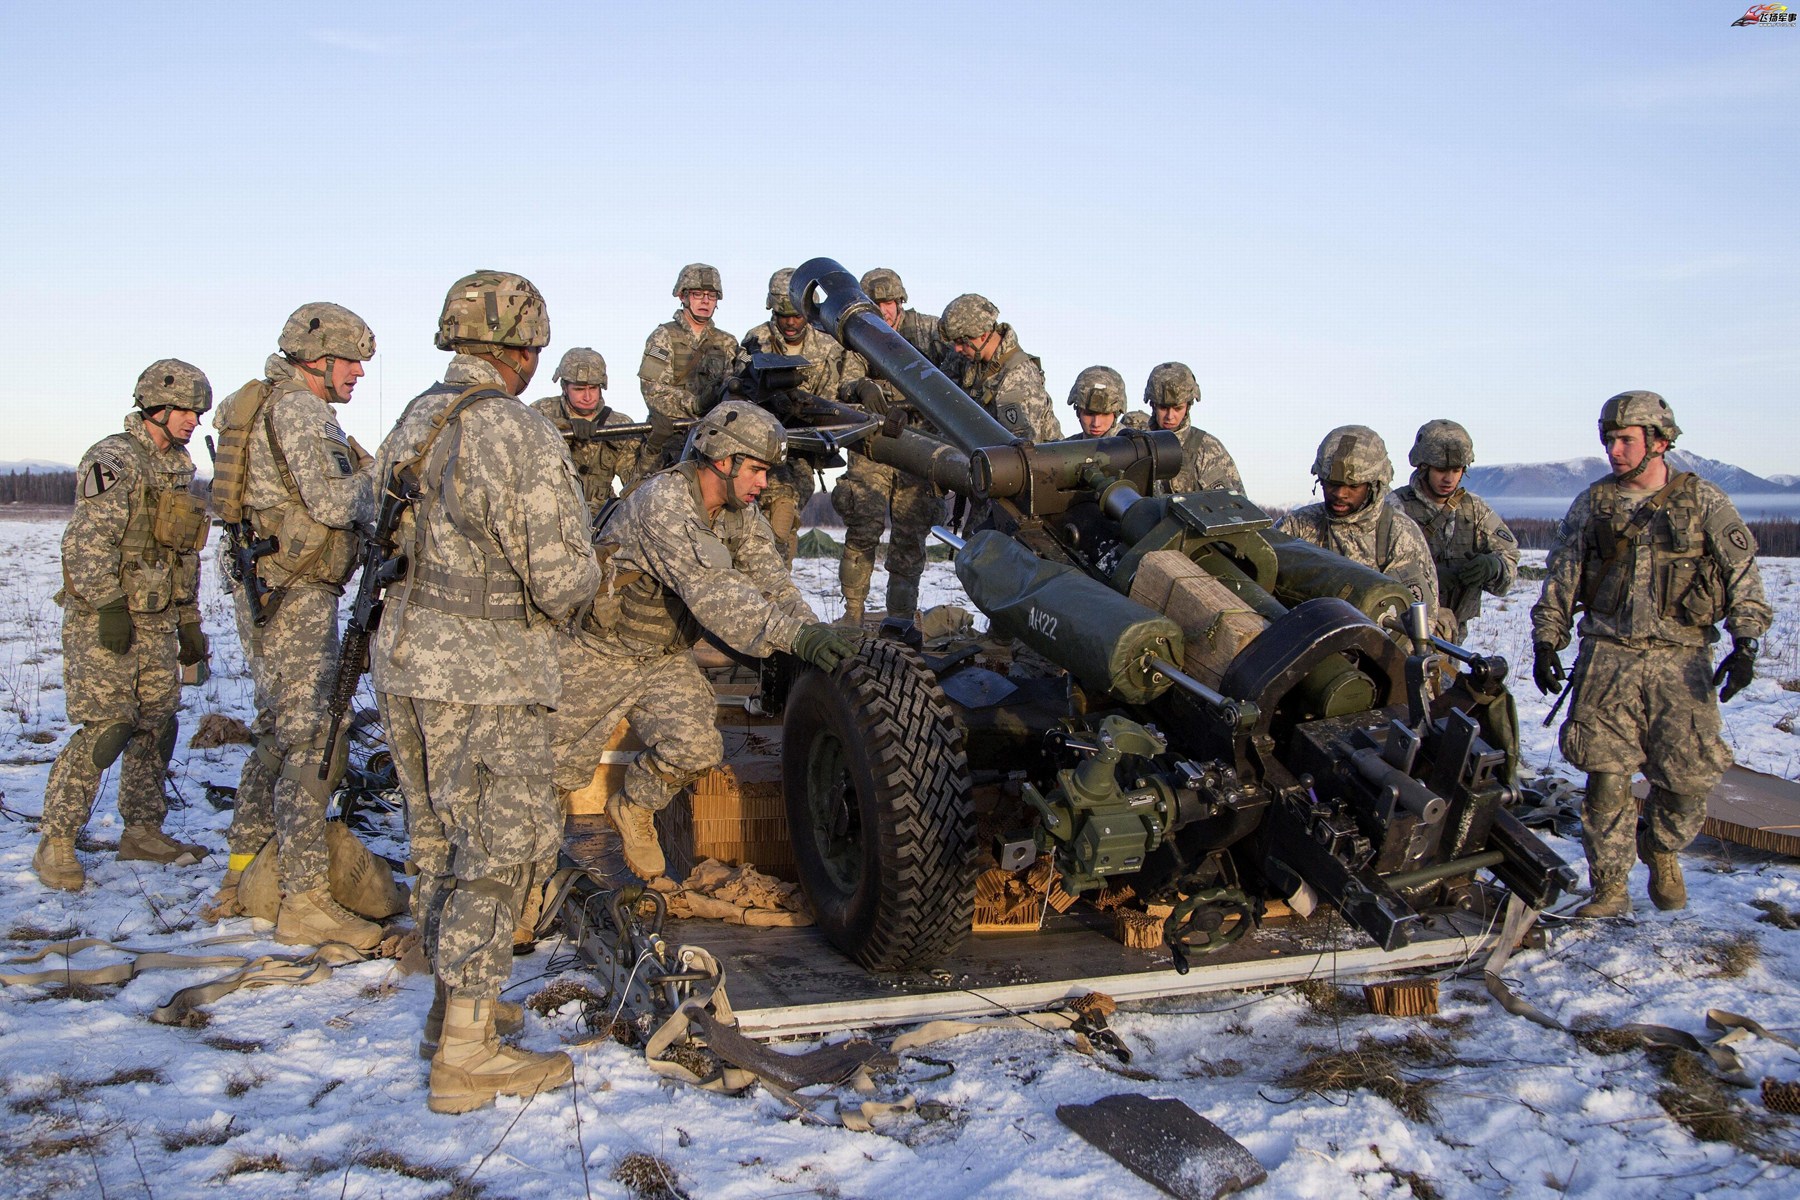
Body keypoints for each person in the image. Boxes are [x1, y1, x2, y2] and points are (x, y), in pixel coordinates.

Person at [372, 271, 600, 1114]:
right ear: (524, 350)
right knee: (500, 853)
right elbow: (562, 578)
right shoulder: (517, 432)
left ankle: (449, 1012)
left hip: (406, 661)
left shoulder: (417, 418)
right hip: (486, 675)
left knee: (436, 841)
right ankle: (467, 1054)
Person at [548, 401, 858, 886]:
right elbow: (716, 593)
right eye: (756, 470)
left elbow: (772, 586)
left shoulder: (740, 514)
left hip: (661, 658)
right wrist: (792, 637)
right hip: (598, 656)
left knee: (695, 748)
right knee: (551, 776)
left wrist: (810, 635)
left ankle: (632, 808)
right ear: (722, 459)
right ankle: (525, 884)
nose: (762, 483)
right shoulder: (664, 503)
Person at [1530, 391, 1769, 917]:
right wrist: (1547, 638)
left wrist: (1745, 640)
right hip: (1608, 657)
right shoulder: (1592, 504)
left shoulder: (1704, 501)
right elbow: (1562, 577)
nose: (1614, 450)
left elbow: (1743, 577)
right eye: (1608, 440)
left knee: (1687, 782)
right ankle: (1610, 889)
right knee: (1606, 778)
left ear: (1659, 442)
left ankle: (1661, 849)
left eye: (1625, 440)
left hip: (1681, 662)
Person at [202, 304, 381, 946]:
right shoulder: (302, 411)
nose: (359, 372)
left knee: (278, 734)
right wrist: (382, 481)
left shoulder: (268, 401)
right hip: (297, 591)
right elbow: (334, 501)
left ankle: (243, 874)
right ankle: (304, 897)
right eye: (351, 360)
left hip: (276, 588)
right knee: (311, 737)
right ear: (319, 359)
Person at [35, 360, 215, 891]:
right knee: (108, 728)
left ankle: (142, 831)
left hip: (158, 619)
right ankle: (57, 839)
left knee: (155, 727)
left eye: (197, 412)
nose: (192, 422)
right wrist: (108, 606)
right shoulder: (114, 458)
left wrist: (188, 620)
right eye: (184, 411)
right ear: (155, 408)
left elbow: (183, 553)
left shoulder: (179, 465)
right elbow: (85, 542)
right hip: (107, 619)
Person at [831, 267, 943, 624]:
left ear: (900, 302)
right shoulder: (860, 335)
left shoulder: (929, 331)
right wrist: (861, 387)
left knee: (910, 532)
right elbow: (846, 378)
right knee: (863, 523)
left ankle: (900, 618)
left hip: (921, 445)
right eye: (876, 304)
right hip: (874, 444)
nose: (885, 311)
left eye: (889, 303)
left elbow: (957, 368)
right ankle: (852, 614)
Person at [741, 267, 866, 562]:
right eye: (784, 316)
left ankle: (775, 584)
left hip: (802, 449)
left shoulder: (828, 345)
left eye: (797, 315)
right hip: (760, 444)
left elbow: (839, 394)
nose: (791, 323)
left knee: (784, 515)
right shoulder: (755, 340)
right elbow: (740, 388)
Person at [1275, 425, 1439, 613]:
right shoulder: (1297, 526)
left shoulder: (1399, 534)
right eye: (1331, 484)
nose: (1340, 493)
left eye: (1353, 486)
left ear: (1373, 485)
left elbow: (1417, 618)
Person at [1388, 419, 1519, 643]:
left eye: (1456, 470)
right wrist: (1426, 581)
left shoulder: (1474, 509)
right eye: (1440, 470)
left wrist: (1493, 567)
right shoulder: (1395, 507)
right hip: (1401, 630)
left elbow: (1510, 556)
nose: (1449, 478)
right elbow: (1372, 569)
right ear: (1424, 466)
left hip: (1452, 634)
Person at [637, 263, 740, 471]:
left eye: (711, 296)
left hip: (715, 438)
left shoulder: (727, 342)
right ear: (682, 296)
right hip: (673, 438)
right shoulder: (663, 336)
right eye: (697, 294)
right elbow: (652, 391)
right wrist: (695, 404)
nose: (705, 301)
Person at [532, 347, 641, 515]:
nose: (588, 397)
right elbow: (524, 461)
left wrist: (653, 448)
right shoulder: (540, 413)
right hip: (551, 510)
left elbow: (634, 481)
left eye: (593, 388)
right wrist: (564, 435)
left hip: (600, 515)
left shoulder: (619, 424)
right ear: (564, 387)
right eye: (579, 389)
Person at [937, 293, 1059, 442]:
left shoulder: (1017, 378)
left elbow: (1020, 452)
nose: (957, 349)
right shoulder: (969, 359)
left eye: (961, 342)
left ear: (983, 334)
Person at [1143, 362, 1243, 494]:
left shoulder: (1207, 449)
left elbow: (1234, 507)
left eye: (1178, 408)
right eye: (1163, 408)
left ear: (1188, 406)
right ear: (1153, 405)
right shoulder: (1138, 447)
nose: (1170, 416)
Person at [1063, 366, 1128, 439]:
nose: (1096, 424)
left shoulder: (1133, 447)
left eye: (1105, 414)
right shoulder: (1067, 446)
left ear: (1116, 414)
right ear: (1078, 412)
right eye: (1089, 414)